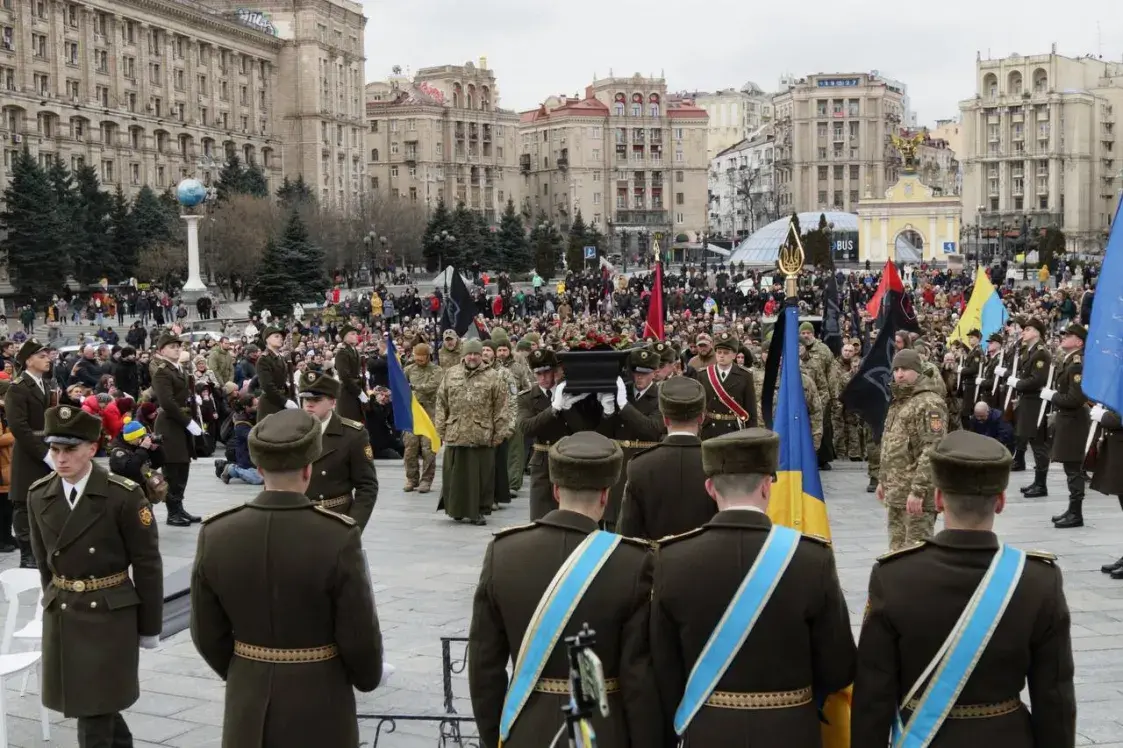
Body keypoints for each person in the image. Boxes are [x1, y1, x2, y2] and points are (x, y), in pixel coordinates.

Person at [851, 430, 1076, 747]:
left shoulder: (893, 576)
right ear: (999, 501)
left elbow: (873, 695)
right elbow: (1055, 697)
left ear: (939, 499)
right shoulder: (1038, 580)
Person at [190, 409, 384, 748]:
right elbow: (358, 630)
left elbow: (205, 630)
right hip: (321, 694)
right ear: (309, 470)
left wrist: (244, 670)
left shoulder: (216, 532)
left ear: (260, 469)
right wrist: (367, 677)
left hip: (247, 695)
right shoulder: (337, 536)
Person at [650, 428, 856, 746]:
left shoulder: (671, 558)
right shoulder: (810, 558)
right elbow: (839, 665)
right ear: (766, 486)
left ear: (709, 487)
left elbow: (663, 666)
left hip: (707, 729)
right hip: (790, 731)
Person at [467, 431, 661, 747]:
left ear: (556, 490)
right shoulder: (634, 562)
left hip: (525, 730)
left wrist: (495, 737)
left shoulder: (504, 552)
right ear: (605, 495)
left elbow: (483, 667)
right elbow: (638, 677)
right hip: (603, 731)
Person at [28, 404, 163, 747]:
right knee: (96, 704)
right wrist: (51, 601)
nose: (60, 459)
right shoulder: (39, 494)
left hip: (109, 612)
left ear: (92, 448)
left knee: (94, 709)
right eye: (54, 449)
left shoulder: (123, 495)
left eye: (70, 449)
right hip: (64, 612)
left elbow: (147, 564)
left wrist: (149, 627)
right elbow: (45, 563)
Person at [617, 376, 714, 541]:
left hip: (655, 561)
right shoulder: (718, 463)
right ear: (701, 418)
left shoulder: (639, 465)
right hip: (708, 562)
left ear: (665, 419)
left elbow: (627, 533)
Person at [877, 349, 947, 551]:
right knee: (896, 551)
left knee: (917, 553)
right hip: (896, 491)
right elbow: (891, 444)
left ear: (917, 371)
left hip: (916, 496)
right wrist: (883, 479)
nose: (899, 374)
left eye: (905, 369)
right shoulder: (900, 401)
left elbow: (933, 448)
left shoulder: (929, 402)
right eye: (896, 369)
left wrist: (918, 491)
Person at [435, 339, 508, 525]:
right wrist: (441, 428)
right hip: (456, 432)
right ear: (464, 355)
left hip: (481, 434)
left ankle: (479, 511)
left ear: (481, 356)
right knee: (455, 476)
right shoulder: (451, 374)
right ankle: (455, 510)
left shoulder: (493, 376)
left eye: (476, 354)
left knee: (481, 477)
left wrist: (499, 433)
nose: (473, 357)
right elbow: (441, 403)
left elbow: (501, 407)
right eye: (469, 353)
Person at [518, 348, 595, 521]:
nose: (543, 378)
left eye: (547, 372)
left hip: (569, 458)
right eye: (538, 373)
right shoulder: (528, 398)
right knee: (541, 516)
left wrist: (567, 408)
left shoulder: (572, 393)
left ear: (555, 371)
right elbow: (526, 427)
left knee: (571, 515)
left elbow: (583, 429)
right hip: (543, 461)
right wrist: (553, 409)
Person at [595, 347, 665, 531]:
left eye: (645, 374)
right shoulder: (621, 392)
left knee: (639, 520)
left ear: (655, 373)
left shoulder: (661, 397)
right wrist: (607, 412)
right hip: (619, 464)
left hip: (643, 461)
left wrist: (624, 406)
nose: (639, 378)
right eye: (636, 373)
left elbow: (652, 429)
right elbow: (603, 433)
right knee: (613, 519)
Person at [297, 371, 378, 529]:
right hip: (298, 520)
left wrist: (353, 526)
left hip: (336, 518)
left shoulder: (352, 435)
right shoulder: (292, 431)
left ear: (333, 402)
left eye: (317, 399)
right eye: (306, 399)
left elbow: (367, 486)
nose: (309, 404)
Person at [5, 338, 57, 566]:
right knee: (23, 503)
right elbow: (18, 426)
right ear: (29, 360)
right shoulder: (18, 387)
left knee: (44, 499)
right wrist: (44, 453)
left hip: (45, 447)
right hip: (28, 452)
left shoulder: (44, 384)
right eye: (42, 356)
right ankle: (27, 555)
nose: (48, 359)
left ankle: (42, 547)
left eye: (48, 355)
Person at [150, 332, 202, 527]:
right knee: (173, 468)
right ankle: (173, 513)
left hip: (180, 423)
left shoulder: (178, 369)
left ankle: (179, 508)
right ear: (161, 350)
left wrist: (191, 399)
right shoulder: (162, 372)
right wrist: (187, 421)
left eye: (179, 346)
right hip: (171, 424)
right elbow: (167, 402)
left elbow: (179, 397)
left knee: (183, 467)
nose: (177, 349)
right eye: (172, 346)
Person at [1043, 323, 1090, 529]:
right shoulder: (1070, 361)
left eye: (1068, 335)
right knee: (1070, 468)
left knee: (1074, 468)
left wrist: (1053, 396)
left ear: (1078, 342)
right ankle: (1072, 509)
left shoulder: (1077, 364)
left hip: (1074, 421)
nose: (1063, 337)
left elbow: (1074, 398)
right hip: (1069, 421)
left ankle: (1076, 513)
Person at [1007, 317, 1051, 495]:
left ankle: (1041, 484)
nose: (1023, 332)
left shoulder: (1040, 353)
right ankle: (1037, 482)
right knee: (1033, 441)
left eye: (1027, 329)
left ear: (1036, 333)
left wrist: (1017, 383)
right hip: (1028, 401)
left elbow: (1036, 380)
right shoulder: (1030, 351)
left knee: (1038, 444)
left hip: (1036, 403)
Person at [694, 331, 757, 441]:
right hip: (710, 429)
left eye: (726, 353)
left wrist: (752, 436)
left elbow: (751, 409)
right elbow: (698, 406)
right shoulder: (704, 375)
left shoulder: (744, 375)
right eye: (719, 352)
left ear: (734, 355)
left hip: (734, 430)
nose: (721, 355)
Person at [402, 343, 442, 493]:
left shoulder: (436, 370)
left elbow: (433, 386)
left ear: (428, 356)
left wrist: (414, 388)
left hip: (429, 414)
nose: (418, 360)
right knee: (410, 448)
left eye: (421, 357)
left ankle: (426, 480)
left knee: (428, 449)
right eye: (416, 357)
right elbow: (400, 385)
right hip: (412, 414)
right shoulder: (409, 370)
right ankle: (411, 478)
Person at [108, 420, 167, 502]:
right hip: (126, 495)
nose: (144, 438)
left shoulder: (137, 446)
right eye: (141, 436)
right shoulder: (118, 452)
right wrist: (142, 449)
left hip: (142, 493)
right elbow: (131, 469)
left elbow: (157, 463)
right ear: (132, 438)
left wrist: (155, 450)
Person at [256, 325, 296, 421]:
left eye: (281, 337)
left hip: (281, 399)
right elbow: (267, 386)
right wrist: (285, 402)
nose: (280, 339)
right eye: (276, 336)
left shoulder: (281, 358)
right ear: (267, 339)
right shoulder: (264, 359)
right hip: (270, 403)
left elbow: (281, 379)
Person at [333, 324, 366, 422]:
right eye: (352, 334)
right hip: (347, 393)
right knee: (349, 422)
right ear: (345, 337)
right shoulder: (342, 353)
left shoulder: (354, 351)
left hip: (355, 389)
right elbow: (344, 376)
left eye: (356, 334)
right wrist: (359, 392)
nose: (356, 336)